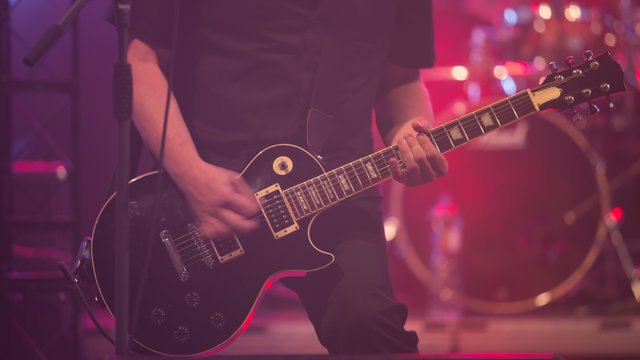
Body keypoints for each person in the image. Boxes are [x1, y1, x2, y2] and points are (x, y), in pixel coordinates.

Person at [127, 0, 448, 354]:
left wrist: (408, 132)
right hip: (206, 187)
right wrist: (191, 175)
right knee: (157, 342)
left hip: (336, 187)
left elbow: (400, 80)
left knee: (366, 323)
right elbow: (140, 60)